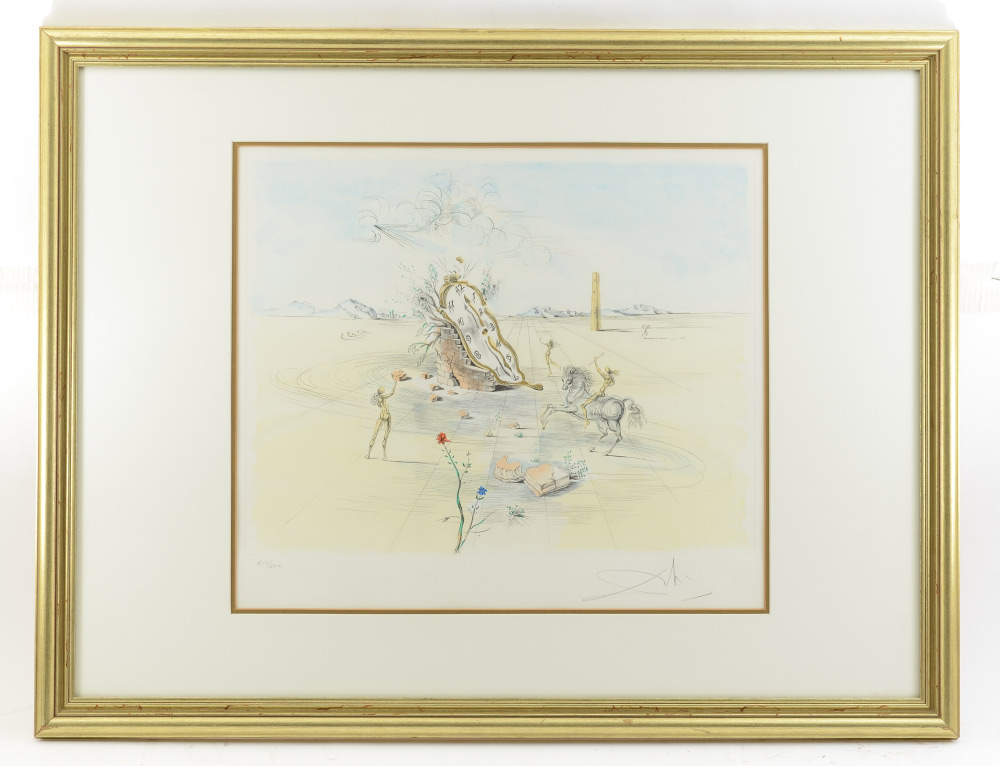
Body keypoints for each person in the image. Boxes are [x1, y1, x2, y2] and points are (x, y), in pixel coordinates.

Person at [581, 356, 619, 426]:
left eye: (605, 370)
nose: (604, 371)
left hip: (599, 393)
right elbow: (612, 383)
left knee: (583, 405)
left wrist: (595, 361)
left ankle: (586, 420)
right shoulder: (611, 377)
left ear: (606, 371)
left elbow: (598, 370)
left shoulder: (606, 376)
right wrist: (612, 372)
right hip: (602, 393)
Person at [366, 379, 398, 460]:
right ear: (382, 391)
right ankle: (384, 456)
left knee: (375, 434)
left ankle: (368, 454)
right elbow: (391, 393)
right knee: (385, 436)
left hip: (381, 416)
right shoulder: (382, 397)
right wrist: (395, 384)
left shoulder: (377, 399)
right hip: (387, 416)